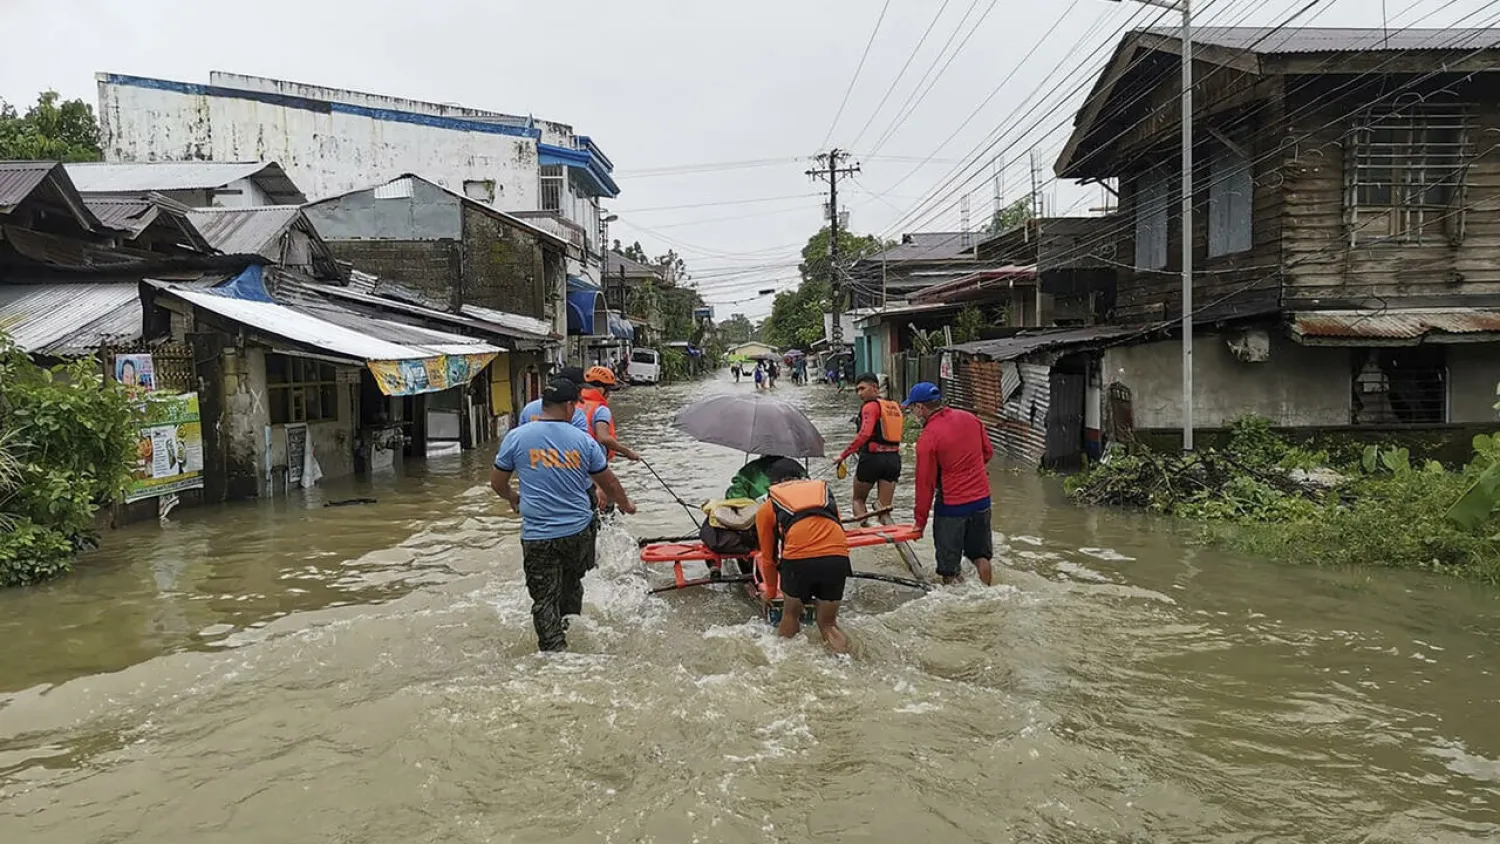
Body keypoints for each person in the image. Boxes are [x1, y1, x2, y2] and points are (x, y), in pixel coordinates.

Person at [491, 379, 636, 651]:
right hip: (577, 533)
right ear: (570, 406)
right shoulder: (583, 441)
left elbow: (497, 483)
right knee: (572, 585)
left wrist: (513, 498)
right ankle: (570, 628)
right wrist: (626, 505)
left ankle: (554, 653)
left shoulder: (517, 437)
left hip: (537, 537)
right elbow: (609, 484)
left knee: (544, 599)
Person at [755, 459, 851, 654]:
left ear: (774, 483)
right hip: (837, 558)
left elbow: (768, 557)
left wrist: (771, 593)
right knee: (828, 624)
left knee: (790, 614)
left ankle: (784, 661)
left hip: (798, 560)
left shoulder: (769, 505)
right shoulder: (825, 493)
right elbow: (838, 528)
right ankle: (846, 661)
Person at [905, 382, 995, 586]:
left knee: (949, 569)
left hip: (952, 507)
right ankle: (988, 593)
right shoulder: (970, 418)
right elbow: (987, 452)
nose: (913, 414)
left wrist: (919, 523)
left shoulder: (928, 437)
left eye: (912, 408)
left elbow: (925, 485)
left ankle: (958, 608)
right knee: (981, 557)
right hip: (982, 501)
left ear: (920, 407)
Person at [836, 373, 904, 523]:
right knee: (884, 508)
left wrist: (843, 455)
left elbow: (864, 434)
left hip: (872, 459)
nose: (859, 393)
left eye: (862, 388)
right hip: (893, 460)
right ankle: (890, 540)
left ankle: (864, 530)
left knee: (858, 500)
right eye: (857, 390)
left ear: (874, 387)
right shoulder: (892, 406)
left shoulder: (869, 407)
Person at [580, 365, 641, 462]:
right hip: (593, 463)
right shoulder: (600, 410)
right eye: (608, 390)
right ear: (601, 390)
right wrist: (628, 452)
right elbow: (603, 438)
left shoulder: (573, 404)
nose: (609, 395)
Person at [518, 366, 589, 430]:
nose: (580, 395)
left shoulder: (529, 408)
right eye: (579, 390)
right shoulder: (576, 414)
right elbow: (582, 442)